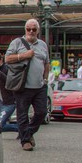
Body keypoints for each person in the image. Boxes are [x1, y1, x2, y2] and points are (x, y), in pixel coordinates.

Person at [5, 19, 50, 151]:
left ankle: (28, 133)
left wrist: (45, 79)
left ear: (38, 31)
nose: (31, 31)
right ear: (25, 30)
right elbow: (7, 59)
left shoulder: (43, 45)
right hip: (22, 86)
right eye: (28, 29)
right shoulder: (17, 42)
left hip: (39, 86)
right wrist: (24, 55)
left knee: (42, 112)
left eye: (34, 29)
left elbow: (46, 63)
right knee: (22, 114)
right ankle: (25, 141)